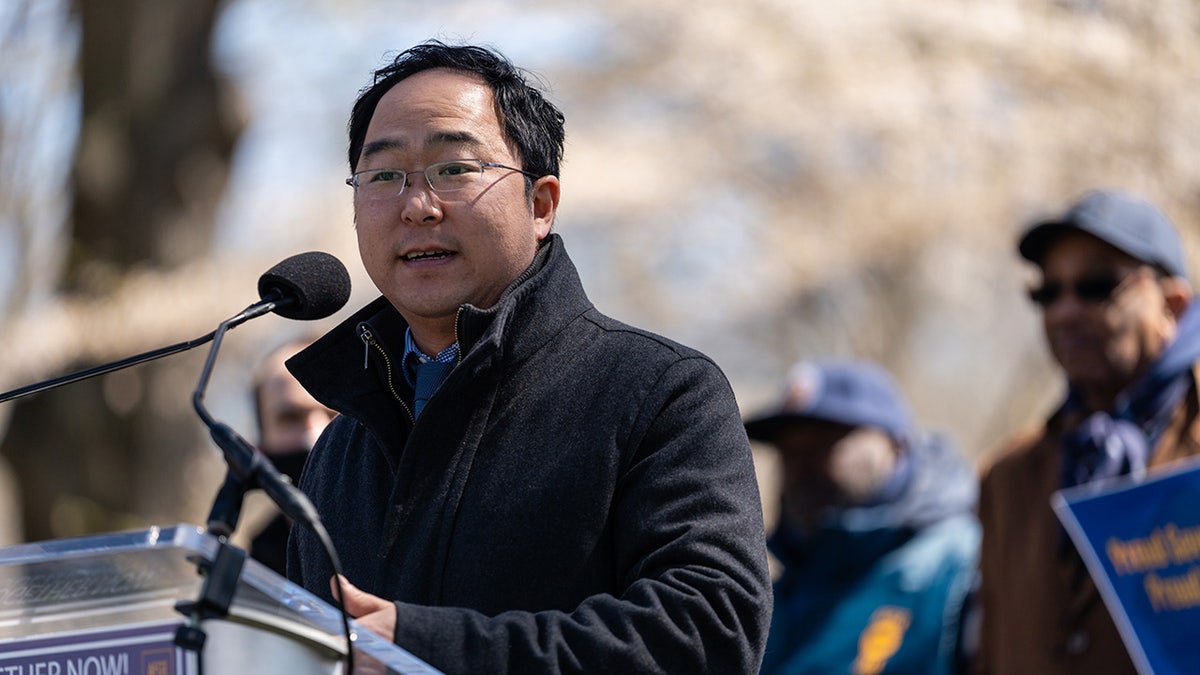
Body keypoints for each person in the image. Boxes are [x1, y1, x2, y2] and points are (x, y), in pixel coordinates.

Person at [284, 40, 772, 673]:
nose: (416, 205)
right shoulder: (340, 449)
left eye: (453, 169)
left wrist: (432, 649)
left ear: (541, 204)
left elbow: (709, 632)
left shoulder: (661, 395)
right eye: (383, 176)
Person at [976, 188, 1199, 674]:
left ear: (1174, 304)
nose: (1064, 311)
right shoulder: (1006, 478)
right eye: (1047, 292)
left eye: (1097, 286)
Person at [745, 359, 979, 675]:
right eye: (788, 452)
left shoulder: (961, 567)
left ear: (896, 447)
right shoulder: (778, 595)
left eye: (823, 443)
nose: (801, 470)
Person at [244, 338, 335, 575]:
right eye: (291, 418)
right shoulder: (254, 573)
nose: (315, 435)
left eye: (336, 412)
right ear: (260, 450)